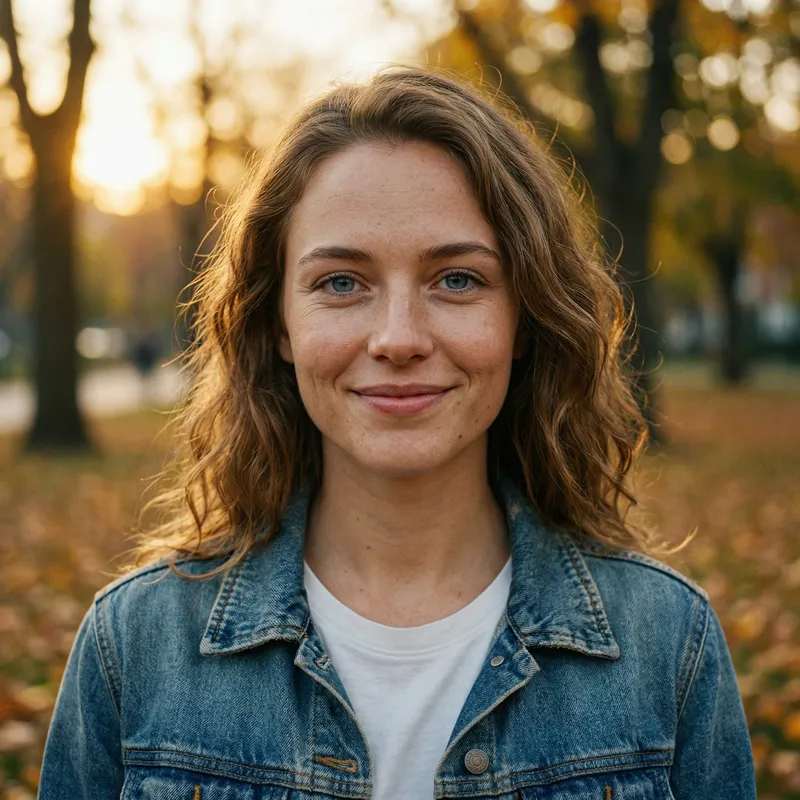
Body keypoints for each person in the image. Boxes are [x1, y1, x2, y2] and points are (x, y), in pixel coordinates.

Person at [38, 66, 756, 799]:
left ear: (524, 318)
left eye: (458, 279)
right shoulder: (133, 646)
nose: (399, 338)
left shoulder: (669, 644)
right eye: (342, 283)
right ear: (279, 324)